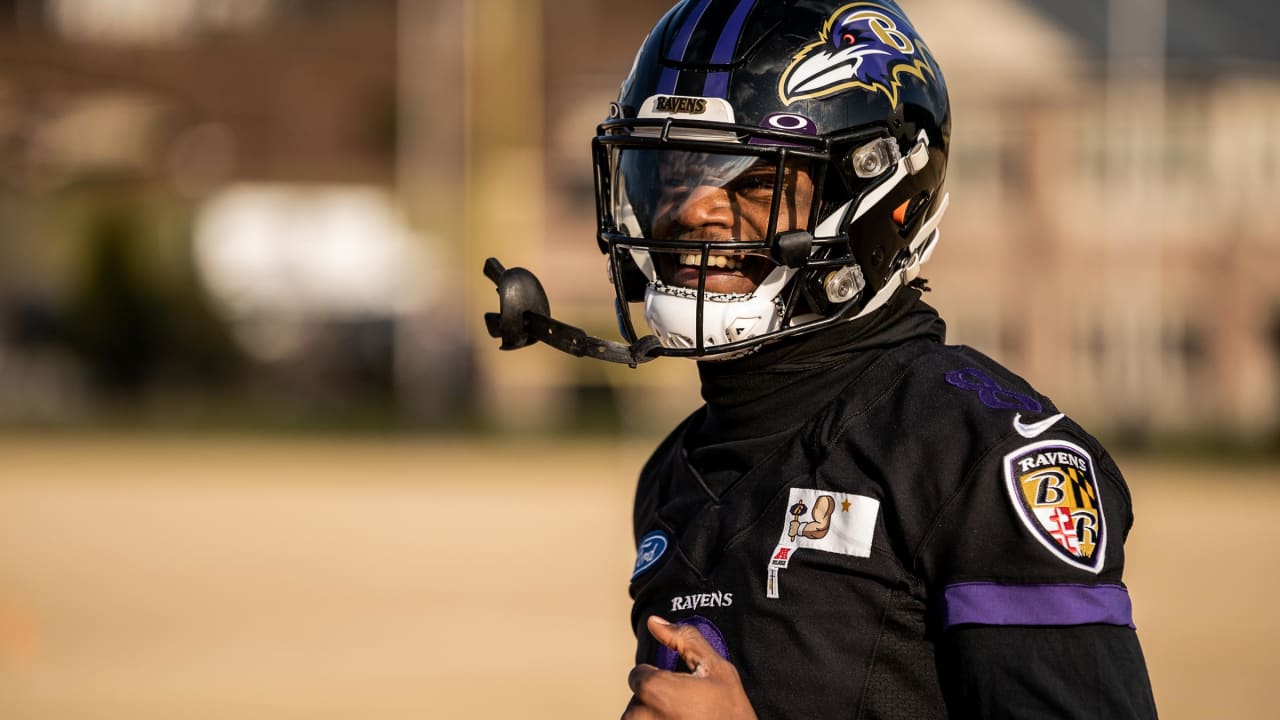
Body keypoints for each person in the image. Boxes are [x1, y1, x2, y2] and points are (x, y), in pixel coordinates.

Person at [483, 1, 1159, 717]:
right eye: (674, 172)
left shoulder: (977, 458)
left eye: (754, 182)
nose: (691, 211)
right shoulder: (679, 468)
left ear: (875, 194)